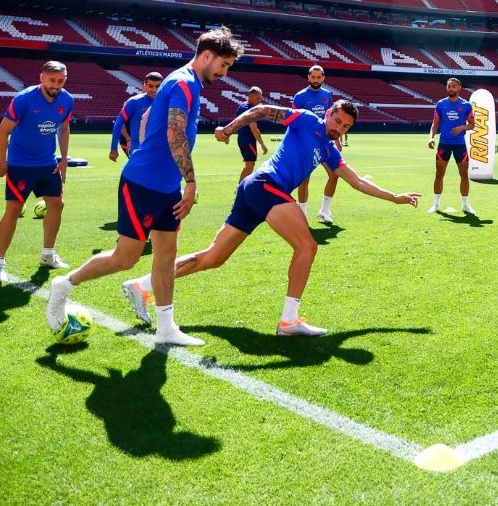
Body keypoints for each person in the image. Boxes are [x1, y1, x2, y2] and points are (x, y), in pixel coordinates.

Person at [120, 99, 420, 336]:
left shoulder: (329, 151)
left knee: (213, 258)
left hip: (255, 192)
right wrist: (229, 128)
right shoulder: (306, 120)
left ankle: (142, 285)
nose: (338, 127)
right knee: (307, 246)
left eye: (345, 126)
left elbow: (358, 182)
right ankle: (289, 321)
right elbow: (263, 110)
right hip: (266, 185)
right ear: (328, 113)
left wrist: (395, 197)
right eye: (337, 120)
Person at [45, 27, 244, 346]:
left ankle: (166, 328)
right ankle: (64, 286)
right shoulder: (182, 82)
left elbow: (152, 115)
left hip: (167, 186)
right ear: (207, 56)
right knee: (126, 258)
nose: (224, 72)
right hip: (143, 183)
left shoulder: (187, 82)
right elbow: (174, 135)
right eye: (224, 65)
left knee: (166, 255)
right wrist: (191, 181)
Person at [0, 61, 74, 282]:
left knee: (57, 204)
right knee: (14, 210)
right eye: (52, 80)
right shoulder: (23, 99)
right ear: (42, 78)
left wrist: (64, 158)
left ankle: (48, 255)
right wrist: (3, 163)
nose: (56, 85)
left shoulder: (67, 99)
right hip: (21, 165)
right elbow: (2, 132)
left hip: (48, 163)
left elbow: (64, 128)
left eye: (61, 80)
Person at [294, 65, 340, 224]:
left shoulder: (327, 95)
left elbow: (331, 119)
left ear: (323, 78)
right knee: (305, 179)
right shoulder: (299, 97)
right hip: (306, 144)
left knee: (335, 174)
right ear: (308, 78)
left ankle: (325, 210)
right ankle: (302, 214)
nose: (315, 80)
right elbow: (293, 122)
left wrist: (337, 140)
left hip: (325, 142)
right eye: (313, 77)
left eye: (318, 77)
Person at [428, 77, 476, 214]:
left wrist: (461, 128)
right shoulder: (440, 104)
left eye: (454, 86)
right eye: (449, 86)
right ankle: (436, 205)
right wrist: (431, 138)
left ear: (459, 88)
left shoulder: (466, 105)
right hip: (444, 144)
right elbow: (435, 124)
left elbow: (473, 125)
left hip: (460, 145)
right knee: (439, 174)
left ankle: (466, 205)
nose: (451, 88)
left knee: (464, 175)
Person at [109, 72, 162, 161]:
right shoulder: (134, 102)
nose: (154, 90)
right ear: (145, 85)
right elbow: (119, 123)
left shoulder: (166, 102)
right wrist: (113, 148)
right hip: (138, 148)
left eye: (157, 86)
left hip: (158, 148)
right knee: (138, 174)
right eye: (151, 86)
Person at [234, 86, 269, 182]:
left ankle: (241, 187)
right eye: (257, 98)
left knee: (249, 165)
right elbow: (254, 129)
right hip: (248, 140)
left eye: (260, 97)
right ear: (250, 96)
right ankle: (240, 188)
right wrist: (262, 144)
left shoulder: (242, 106)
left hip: (242, 138)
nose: (260, 100)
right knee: (250, 166)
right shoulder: (248, 109)